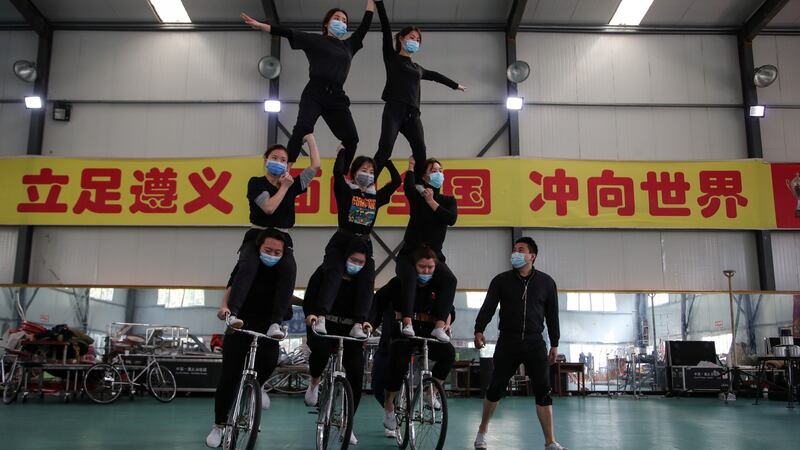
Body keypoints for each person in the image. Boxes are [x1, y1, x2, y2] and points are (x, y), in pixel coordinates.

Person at [241, 0, 376, 168]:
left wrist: (371, 4)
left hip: (337, 96)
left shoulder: (349, 45)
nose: (341, 22)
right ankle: (287, 166)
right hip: (315, 92)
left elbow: (364, 28)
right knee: (303, 127)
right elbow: (288, 33)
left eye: (344, 21)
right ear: (327, 23)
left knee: (352, 139)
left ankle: (342, 175)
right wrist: (262, 26)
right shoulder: (314, 40)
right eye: (337, 18)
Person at [473, 237, 567, 450]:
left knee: (543, 391)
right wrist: (479, 329)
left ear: (531, 256)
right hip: (508, 341)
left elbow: (553, 316)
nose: (515, 253)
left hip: (535, 343)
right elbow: (488, 307)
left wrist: (555, 343)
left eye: (520, 250)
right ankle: (482, 430)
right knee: (496, 387)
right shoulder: (501, 280)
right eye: (514, 249)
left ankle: (550, 441)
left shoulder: (546, 283)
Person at [223, 135, 320, 338]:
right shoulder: (256, 183)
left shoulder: (293, 184)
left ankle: (276, 322)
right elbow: (268, 208)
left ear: (287, 165)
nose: (279, 162)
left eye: (283, 160)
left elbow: (315, 166)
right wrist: (284, 187)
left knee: (289, 270)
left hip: (282, 239)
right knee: (247, 266)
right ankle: (233, 313)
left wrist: (310, 140)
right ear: (266, 160)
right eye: (274, 157)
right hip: (258, 235)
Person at [206, 229, 290, 448]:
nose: (272, 254)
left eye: (277, 251)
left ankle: (257, 387)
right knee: (229, 377)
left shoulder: (284, 270)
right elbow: (232, 286)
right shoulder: (247, 264)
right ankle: (219, 425)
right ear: (258, 248)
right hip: (241, 322)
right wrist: (224, 308)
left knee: (270, 360)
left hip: (267, 325)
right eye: (268, 250)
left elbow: (285, 297)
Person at [312, 148, 402, 337]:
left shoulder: (375, 197)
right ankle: (321, 316)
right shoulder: (345, 190)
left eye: (371, 172)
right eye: (363, 170)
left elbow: (396, 181)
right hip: (342, 241)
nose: (367, 175)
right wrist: (342, 153)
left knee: (367, 280)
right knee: (333, 274)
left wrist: (386, 161)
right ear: (354, 172)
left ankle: (359, 323)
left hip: (363, 244)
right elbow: (337, 172)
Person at [372, 0, 465, 179]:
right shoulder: (391, 58)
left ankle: (421, 186)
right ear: (401, 38)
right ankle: (367, 183)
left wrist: (455, 85)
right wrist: (380, 5)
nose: (415, 41)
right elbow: (385, 29)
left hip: (413, 115)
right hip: (394, 111)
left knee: (420, 150)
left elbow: (435, 75)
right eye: (411, 38)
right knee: (385, 149)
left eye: (417, 40)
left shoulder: (418, 68)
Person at [375, 245, 456, 438]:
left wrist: (447, 321)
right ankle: (389, 405)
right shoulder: (398, 283)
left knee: (448, 353)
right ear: (413, 266)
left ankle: (431, 390)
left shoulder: (438, 285)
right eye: (422, 267)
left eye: (430, 267)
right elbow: (377, 302)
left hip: (427, 333)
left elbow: (449, 308)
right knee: (398, 364)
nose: (426, 271)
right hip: (403, 334)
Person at [302, 239, 373, 445]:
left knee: (356, 371)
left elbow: (371, 304)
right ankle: (314, 382)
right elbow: (310, 296)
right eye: (353, 260)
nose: (356, 265)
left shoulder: (364, 280)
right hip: (323, 324)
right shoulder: (326, 271)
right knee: (321, 351)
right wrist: (311, 315)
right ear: (344, 258)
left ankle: (347, 422)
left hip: (350, 329)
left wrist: (368, 322)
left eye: (361, 262)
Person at [395, 157, 457, 338]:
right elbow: (408, 187)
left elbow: (451, 219)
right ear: (425, 176)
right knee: (410, 276)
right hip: (410, 254)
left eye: (440, 170)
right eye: (433, 170)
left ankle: (439, 326)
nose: (438, 174)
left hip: (434, 257)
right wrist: (412, 167)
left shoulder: (448, 200)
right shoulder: (417, 197)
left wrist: (431, 201)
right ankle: (407, 322)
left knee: (450, 280)